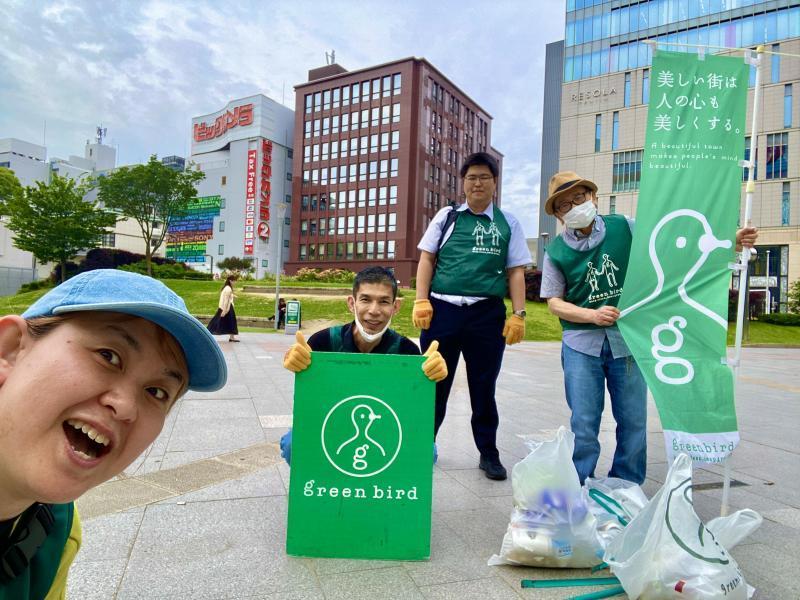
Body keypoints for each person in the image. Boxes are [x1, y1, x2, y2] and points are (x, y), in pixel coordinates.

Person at [0, 269, 227, 599]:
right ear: (10, 349)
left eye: (156, 392)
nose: (126, 407)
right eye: (108, 355)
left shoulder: (55, 530)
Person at [540, 170, 759, 484]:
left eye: (579, 197)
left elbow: (670, 249)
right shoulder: (557, 251)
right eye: (564, 205)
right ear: (559, 216)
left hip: (628, 340)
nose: (574, 206)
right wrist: (591, 315)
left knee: (632, 419)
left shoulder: (624, 228)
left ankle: (627, 483)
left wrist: (732, 241)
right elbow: (553, 302)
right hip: (580, 344)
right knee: (584, 423)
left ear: (594, 197)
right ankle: (579, 483)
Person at [412, 152, 532, 481]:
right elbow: (426, 259)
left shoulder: (508, 223)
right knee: (433, 383)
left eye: (484, 177)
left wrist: (518, 314)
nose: (477, 183)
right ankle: (422, 446)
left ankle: (488, 453)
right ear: (463, 183)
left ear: (495, 183)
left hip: (486, 315)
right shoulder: (447, 216)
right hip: (443, 312)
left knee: (483, 387)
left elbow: (516, 272)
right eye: (471, 177)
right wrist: (421, 300)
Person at [280, 266, 447, 464]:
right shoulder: (323, 342)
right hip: (330, 424)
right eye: (365, 299)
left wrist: (430, 378)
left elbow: (413, 410)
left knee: (428, 451)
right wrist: (295, 360)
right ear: (352, 303)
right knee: (293, 445)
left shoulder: (407, 351)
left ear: (396, 306)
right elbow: (309, 399)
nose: (374, 311)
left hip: (386, 429)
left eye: (384, 301)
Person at [207, 275, 239, 342]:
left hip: (224, 307)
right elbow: (226, 300)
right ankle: (207, 333)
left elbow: (227, 296)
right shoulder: (228, 289)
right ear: (230, 281)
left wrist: (233, 296)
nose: (235, 282)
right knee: (217, 321)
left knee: (230, 321)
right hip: (226, 307)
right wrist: (224, 310)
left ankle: (232, 337)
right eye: (234, 281)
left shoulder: (227, 287)